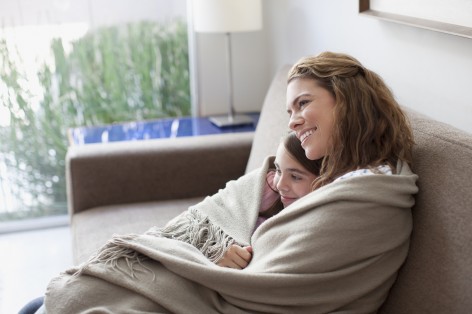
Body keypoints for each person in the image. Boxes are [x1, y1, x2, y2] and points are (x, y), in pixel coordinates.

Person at [22, 51, 418, 314]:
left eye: (303, 103)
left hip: (234, 292)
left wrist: (228, 265)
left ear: (346, 100)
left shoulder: (371, 199)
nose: (293, 121)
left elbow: (278, 280)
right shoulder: (332, 166)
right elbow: (235, 202)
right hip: (225, 272)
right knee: (50, 301)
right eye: (289, 109)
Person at [217, 131, 321, 269]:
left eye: (295, 177)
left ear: (323, 180)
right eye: (278, 170)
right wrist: (218, 249)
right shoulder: (268, 187)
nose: (279, 185)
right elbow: (212, 212)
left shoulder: (314, 227)